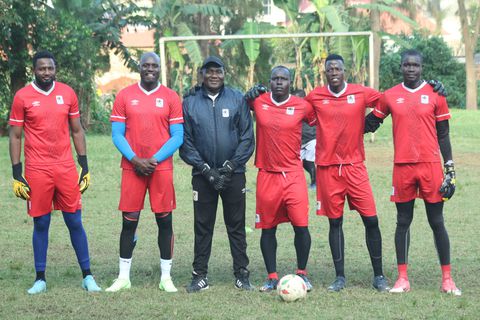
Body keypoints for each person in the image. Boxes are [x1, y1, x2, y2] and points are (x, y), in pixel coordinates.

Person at [365, 49, 461, 295]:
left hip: (431, 166)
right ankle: (402, 278)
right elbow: (371, 122)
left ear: (422, 67)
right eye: (406, 65)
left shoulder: (435, 94)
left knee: (437, 221)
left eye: (415, 65)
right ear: (401, 67)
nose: (410, 69)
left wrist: (449, 167)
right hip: (402, 167)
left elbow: (444, 133)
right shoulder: (390, 95)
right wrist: (342, 121)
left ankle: (448, 279)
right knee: (403, 222)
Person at [9, 50, 101, 294]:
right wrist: (17, 172)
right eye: (41, 69)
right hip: (37, 169)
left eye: (50, 68)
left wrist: (85, 165)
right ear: (34, 70)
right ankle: (40, 278)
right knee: (41, 222)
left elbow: (77, 131)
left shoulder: (67, 93)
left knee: (74, 220)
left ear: (55, 69)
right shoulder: (22, 97)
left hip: (65, 167)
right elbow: (15, 135)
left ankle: (87, 276)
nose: (46, 72)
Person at [304, 54, 389, 292]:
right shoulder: (316, 96)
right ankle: (339, 277)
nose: (333, 72)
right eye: (329, 69)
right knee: (335, 222)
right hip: (328, 169)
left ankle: (379, 276)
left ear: (344, 72)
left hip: (355, 167)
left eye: (337, 68)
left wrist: (374, 120)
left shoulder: (359, 92)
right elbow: (301, 111)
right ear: (325, 73)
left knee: (371, 220)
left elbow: (387, 100)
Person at [106, 52, 184, 293]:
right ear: (139, 68)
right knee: (129, 222)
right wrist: (135, 159)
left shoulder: (170, 97)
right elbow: (117, 133)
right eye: (146, 65)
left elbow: (178, 136)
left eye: (154, 65)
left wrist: (154, 159)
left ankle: (166, 277)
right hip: (132, 168)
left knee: (165, 222)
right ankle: (123, 277)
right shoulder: (125, 95)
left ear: (160, 68)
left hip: (161, 169)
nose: (150, 68)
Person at [180, 55, 255, 293]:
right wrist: (205, 170)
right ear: (202, 74)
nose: (214, 75)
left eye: (218, 71)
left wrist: (230, 167)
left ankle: (242, 275)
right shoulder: (190, 101)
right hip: (203, 176)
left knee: (236, 225)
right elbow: (185, 141)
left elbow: (247, 137)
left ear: (225, 74)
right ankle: (199, 275)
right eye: (209, 71)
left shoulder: (237, 99)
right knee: (203, 226)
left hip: (234, 174)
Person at [249, 67, 314, 292]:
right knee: (268, 228)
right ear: (269, 81)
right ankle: (272, 276)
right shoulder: (258, 102)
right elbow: (241, 104)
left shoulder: (302, 105)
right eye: (275, 79)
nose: (279, 82)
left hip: (294, 175)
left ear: (290, 82)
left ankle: (302, 274)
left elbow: (319, 121)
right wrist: (249, 93)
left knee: (301, 226)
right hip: (267, 175)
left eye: (283, 79)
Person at [293, 89, 317, 190]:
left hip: (312, 139)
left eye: (296, 99)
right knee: (302, 162)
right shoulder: (292, 110)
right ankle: (316, 179)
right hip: (300, 142)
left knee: (310, 161)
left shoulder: (309, 109)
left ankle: (314, 182)